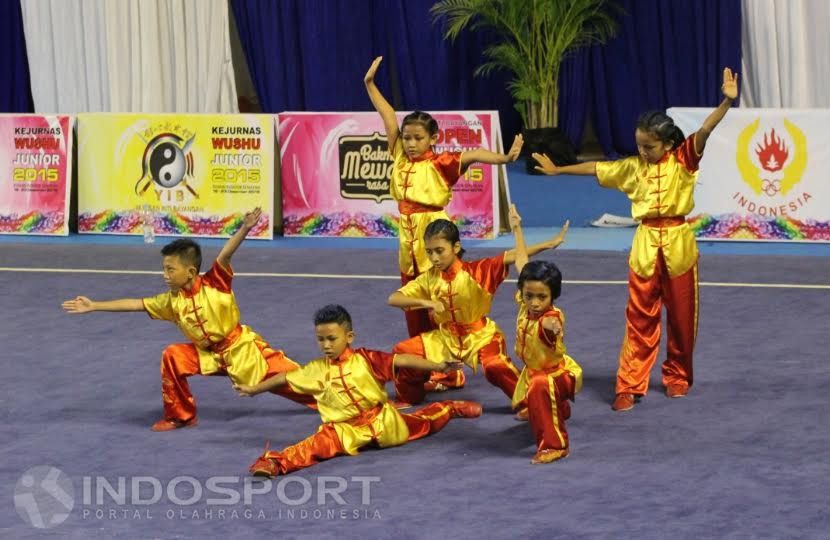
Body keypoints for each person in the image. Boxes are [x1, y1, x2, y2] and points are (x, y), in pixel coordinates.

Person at [532, 68, 739, 411]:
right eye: (639, 145)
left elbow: (705, 130)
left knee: (682, 317)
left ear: (668, 144)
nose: (643, 151)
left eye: (650, 146)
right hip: (644, 246)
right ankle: (629, 383)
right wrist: (559, 170)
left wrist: (727, 101)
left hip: (679, 245)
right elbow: (596, 168)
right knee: (639, 317)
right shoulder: (632, 168)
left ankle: (678, 376)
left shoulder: (684, 160)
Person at [61, 208, 316, 431]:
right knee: (173, 356)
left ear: (191, 271)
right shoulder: (173, 301)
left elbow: (225, 255)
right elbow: (137, 304)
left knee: (295, 380)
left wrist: (245, 228)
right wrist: (95, 305)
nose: (165, 275)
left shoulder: (216, 282)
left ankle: (339, 402)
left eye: (170, 270)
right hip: (208, 356)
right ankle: (180, 417)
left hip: (243, 351)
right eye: (164, 269)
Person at [364, 55, 524, 392]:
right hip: (407, 238)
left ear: (432, 139)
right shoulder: (397, 152)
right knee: (414, 308)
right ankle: (427, 369)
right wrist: (370, 85)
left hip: (432, 231)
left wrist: (506, 158)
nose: (409, 142)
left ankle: (451, 368)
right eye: (407, 137)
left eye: (417, 138)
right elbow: (388, 116)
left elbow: (476, 153)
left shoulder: (441, 161)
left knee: (443, 304)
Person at [236, 304, 481, 478]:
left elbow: (402, 360)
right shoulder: (316, 369)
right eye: (321, 340)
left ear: (349, 336)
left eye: (332, 338)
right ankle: (273, 464)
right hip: (344, 431)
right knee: (311, 447)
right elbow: (284, 377)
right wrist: (255, 389)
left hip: (383, 421)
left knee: (425, 422)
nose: (326, 345)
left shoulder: (367, 359)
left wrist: (438, 366)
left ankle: (451, 408)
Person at [386, 217, 568, 408]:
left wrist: (550, 243)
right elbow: (394, 299)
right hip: (445, 337)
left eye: (440, 251)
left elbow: (514, 255)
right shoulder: (428, 279)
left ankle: (529, 401)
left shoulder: (478, 272)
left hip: (480, 336)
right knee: (404, 352)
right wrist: (426, 302)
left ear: (456, 247)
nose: (434, 258)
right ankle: (409, 396)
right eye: (429, 252)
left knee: (494, 366)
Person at [508, 205, 582, 464]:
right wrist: (516, 227)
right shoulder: (524, 302)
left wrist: (555, 330)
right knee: (533, 389)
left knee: (540, 386)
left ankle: (555, 445)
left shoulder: (551, 318)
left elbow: (552, 327)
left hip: (556, 376)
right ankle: (560, 408)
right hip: (532, 373)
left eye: (542, 297)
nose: (535, 302)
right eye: (530, 296)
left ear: (553, 297)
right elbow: (521, 261)